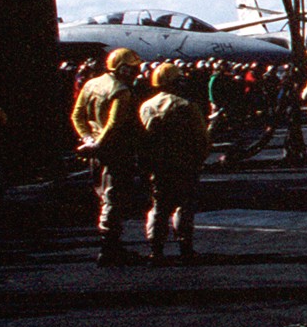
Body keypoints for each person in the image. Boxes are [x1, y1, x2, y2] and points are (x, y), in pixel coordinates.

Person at [70, 48, 148, 266]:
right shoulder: (121, 90)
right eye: (133, 68)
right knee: (114, 197)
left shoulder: (91, 84)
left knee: (103, 195)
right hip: (115, 150)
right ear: (123, 68)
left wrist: (88, 140)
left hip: (95, 148)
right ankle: (110, 247)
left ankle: (110, 245)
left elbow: (77, 115)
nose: (136, 73)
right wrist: (100, 144)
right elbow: (114, 124)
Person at [140, 63, 210, 265]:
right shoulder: (186, 106)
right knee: (183, 206)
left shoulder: (146, 106)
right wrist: (199, 159)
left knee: (158, 207)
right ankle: (185, 247)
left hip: (157, 164)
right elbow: (201, 137)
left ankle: (156, 250)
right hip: (184, 162)